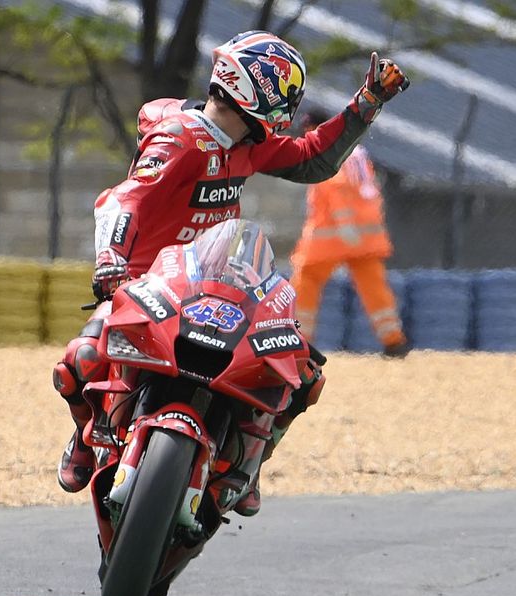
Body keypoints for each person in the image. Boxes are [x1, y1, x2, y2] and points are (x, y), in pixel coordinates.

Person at [52, 30, 409, 517]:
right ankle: (85, 437)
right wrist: (111, 263)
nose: (289, 108)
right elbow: (124, 198)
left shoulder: (249, 144)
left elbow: (312, 159)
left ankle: (247, 465)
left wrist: (366, 103)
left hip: (214, 284)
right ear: (255, 90)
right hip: (146, 285)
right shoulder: (179, 138)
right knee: (81, 360)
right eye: (285, 95)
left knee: (302, 377)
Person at [289, 108, 408, 357]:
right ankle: (393, 341)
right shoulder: (357, 151)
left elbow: (334, 186)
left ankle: (296, 340)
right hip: (367, 233)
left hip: (334, 234)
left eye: (307, 130)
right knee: (373, 285)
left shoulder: (325, 149)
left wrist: (344, 224)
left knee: (305, 280)